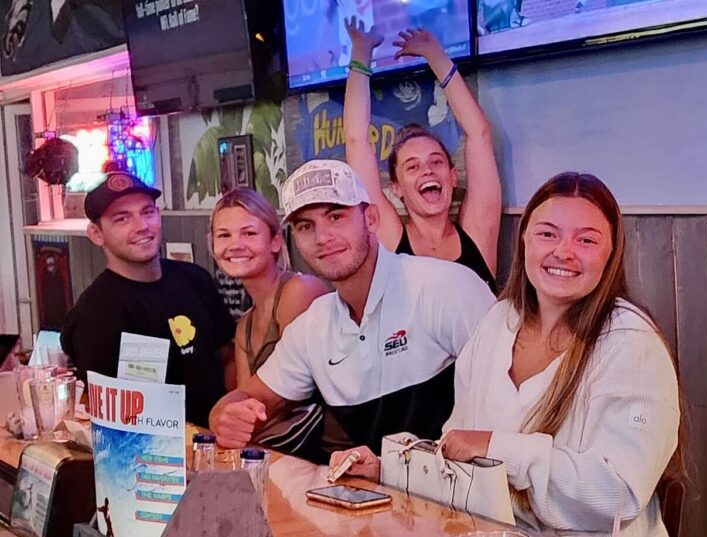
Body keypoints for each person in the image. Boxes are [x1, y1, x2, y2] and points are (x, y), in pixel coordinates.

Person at [331, 172, 682, 536]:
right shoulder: (499, 322)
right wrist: (387, 467)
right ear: (524, 240)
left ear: (611, 254)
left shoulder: (632, 344)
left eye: (587, 240)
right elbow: (458, 457)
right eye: (547, 233)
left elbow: (617, 496)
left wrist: (497, 447)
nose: (564, 251)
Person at [210, 159, 495, 454]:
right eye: (306, 226)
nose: (323, 238)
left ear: (371, 218)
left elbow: (509, 409)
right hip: (382, 494)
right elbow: (250, 397)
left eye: (336, 217)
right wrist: (224, 417)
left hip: (466, 492)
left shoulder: (446, 287)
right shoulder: (313, 327)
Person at [61, 171, 235, 427]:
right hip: (159, 455)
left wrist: (233, 417)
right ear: (96, 234)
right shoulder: (95, 313)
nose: (142, 226)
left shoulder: (195, 278)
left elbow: (227, 356)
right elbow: (118, 416)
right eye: (122, 218)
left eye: (147, 212)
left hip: (223, 442)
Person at [344, 20, 501, 293]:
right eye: (412, 166)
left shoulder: (478, 232)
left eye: (436, 161)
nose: (427, 171)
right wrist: (361, 52)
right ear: (396, 188)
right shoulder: (392, 241)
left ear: (452, 177)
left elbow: (480, 134)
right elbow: (356, 142)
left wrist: (435, 55)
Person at [210, 188, 329, 455]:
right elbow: (245, 406)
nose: (236, 244)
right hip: (284, 456)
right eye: (224, 235)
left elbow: (290, 394)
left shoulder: (299, 290)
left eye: (249, 233)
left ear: (275, 241)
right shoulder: (245, 326)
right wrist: (227, 418)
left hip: (323, 455)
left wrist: (229, 416)